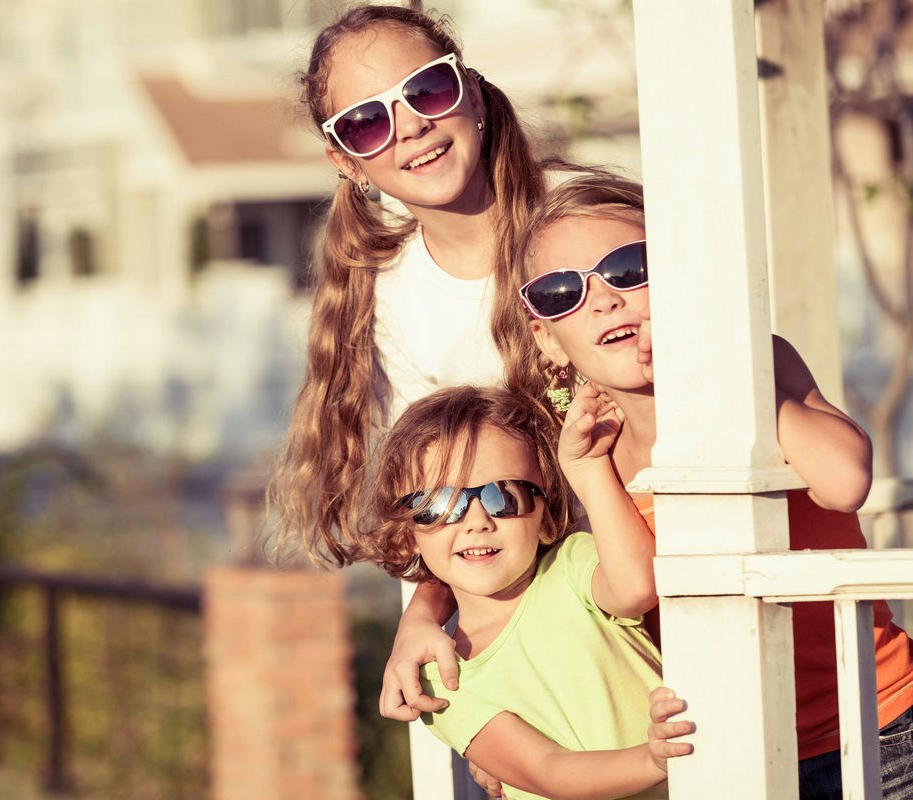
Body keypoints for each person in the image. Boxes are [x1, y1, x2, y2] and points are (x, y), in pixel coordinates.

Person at [382, 171, 913, 799]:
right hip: (715, 744)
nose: (604, 300)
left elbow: (844, 480)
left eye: (630, 268)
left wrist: (716, 362)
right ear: (546, 338)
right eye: (560, 292)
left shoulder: (756, 367)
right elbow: (504, 549)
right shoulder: (572, 441)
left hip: (871, 722)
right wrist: (422, 614)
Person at [269, 3, 546, 565]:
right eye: (367, 123)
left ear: (469, 90)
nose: (411, 125)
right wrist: (423, 614)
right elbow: (435, 501)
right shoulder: (395, 298)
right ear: (346, 161)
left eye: (428, 89)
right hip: (521, 594)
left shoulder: (582, 220)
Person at [358, 382, 694, 799]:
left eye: (506, 495)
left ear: (547, 518)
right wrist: (651, 759)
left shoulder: (573, 565)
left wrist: (588, 469)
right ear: (407, 533)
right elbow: (549, 770)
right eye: (441, 505)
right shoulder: (438, 676)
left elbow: (636, 588)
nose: (476, 521)